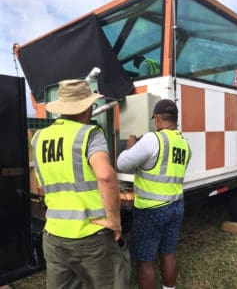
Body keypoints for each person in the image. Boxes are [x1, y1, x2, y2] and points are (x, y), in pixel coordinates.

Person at [31, 79, 130, 289]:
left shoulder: (38, 138)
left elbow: (43, 183)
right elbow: (105, 175)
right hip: (90, 234)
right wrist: (114, 220)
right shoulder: (89, 134)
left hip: (54, 235)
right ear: (86, 107)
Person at [117, 99, 191, 289]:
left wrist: (131, 146)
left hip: (150, 209)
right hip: (176, 206)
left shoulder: (152, 139)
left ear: (157, 119)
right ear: (175, 119)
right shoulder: (184, 144)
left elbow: (122, 164)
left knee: (144, 259)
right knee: (168, 253)